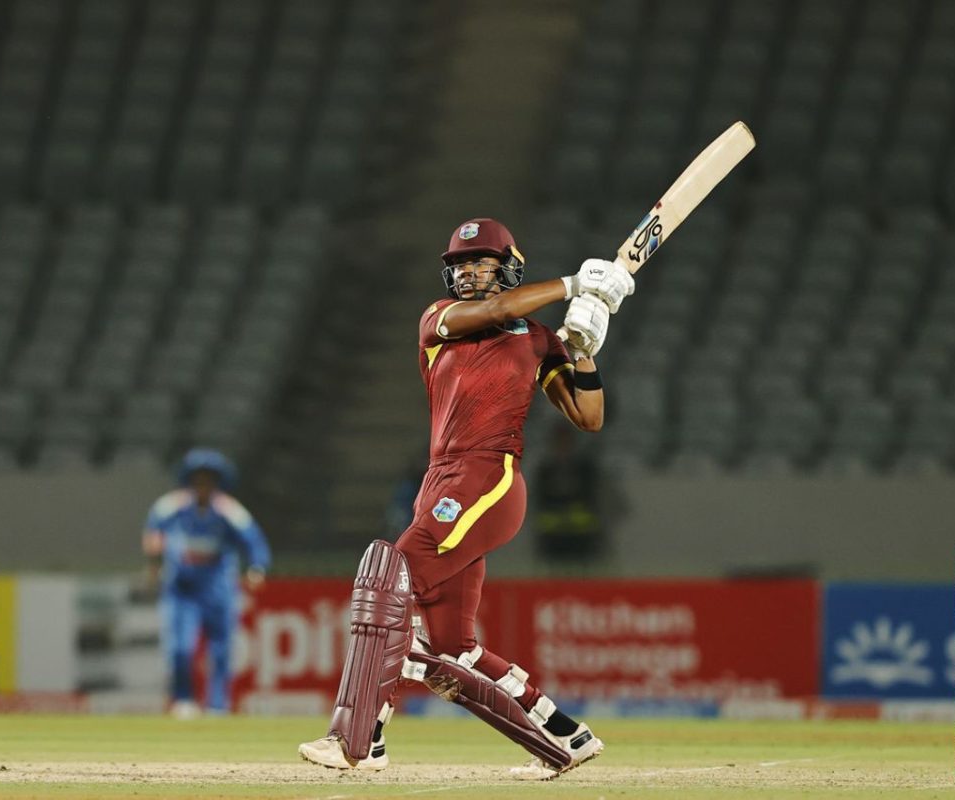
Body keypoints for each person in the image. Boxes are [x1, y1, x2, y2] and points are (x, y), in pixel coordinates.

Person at [299, 217, 633, 779]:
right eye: (460, 266)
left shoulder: (536, 340)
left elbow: (588, 416)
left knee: (388, 577)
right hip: (441, 480)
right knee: (454, 651)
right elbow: (497, 313)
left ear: (508, 268)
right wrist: (575, 285)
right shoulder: (439, 320)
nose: (470, 274)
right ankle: (564, 737)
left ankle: (357, 737)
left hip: (487, 477)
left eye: (482, 264)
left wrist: (582, 351)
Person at [142, 448, 270, 718]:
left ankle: (217, 704)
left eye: (208, 480)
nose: (202, 486)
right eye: (197, 479)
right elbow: (154, 530)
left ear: (217, 483)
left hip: (218, 588)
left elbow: (254, 540)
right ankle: (183, 699)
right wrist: (154, 562)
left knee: (221, 650)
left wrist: (257, 567)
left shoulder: (229, 510)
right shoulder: (172, 505)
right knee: (180, 648)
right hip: (182, 587)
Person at [534, 423, 609, 562]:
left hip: (582, 538)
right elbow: (540, 503)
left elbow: (593, 501)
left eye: (566, 441)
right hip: (553, 539)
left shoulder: (586, 470)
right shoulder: (545, 472)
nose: (563, 446)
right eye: (559, 441)